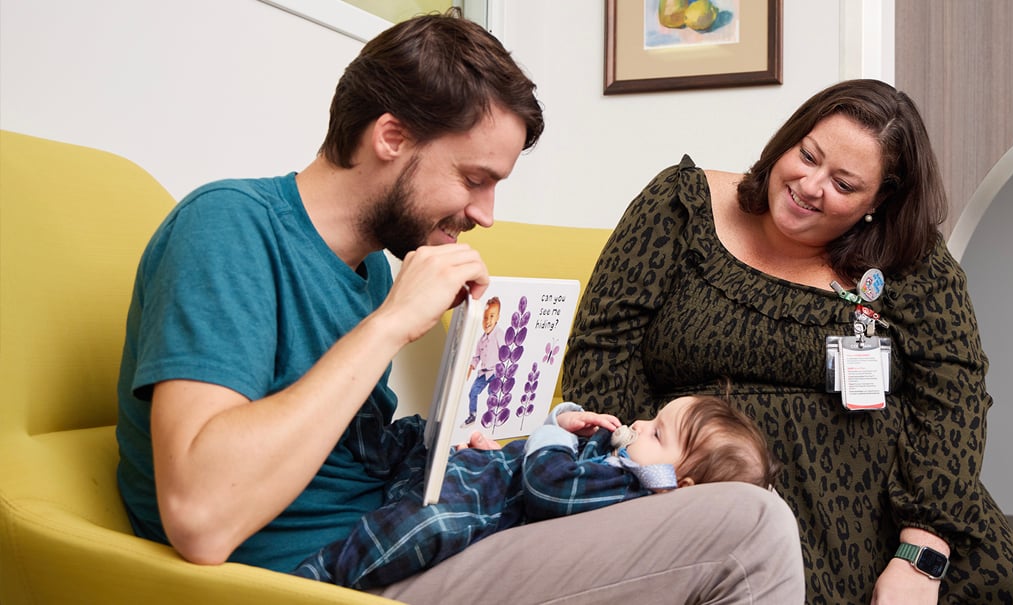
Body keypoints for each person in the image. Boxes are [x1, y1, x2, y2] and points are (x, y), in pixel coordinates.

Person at [114, 9, 805, 604]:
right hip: (328, 576)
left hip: (408, 538)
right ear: (391, 137)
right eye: (474, 179)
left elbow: (350, 455)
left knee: (743, 501)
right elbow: (200, 515)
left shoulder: (362, 272)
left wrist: (479, 439)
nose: (485, 213)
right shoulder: (230, 227)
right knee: (750, 526)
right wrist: (391, 325)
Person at [562, 79, 1013, 605]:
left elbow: (955, 399)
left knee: (996, 584)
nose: (810, 186)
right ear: (788, 140)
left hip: (886, 510)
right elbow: (601, 352)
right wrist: (637, 478)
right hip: (709, 488)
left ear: (879, 201)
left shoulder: (912, 259)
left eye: (844, 184)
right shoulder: (680, 207)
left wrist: (919, 556)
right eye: (807, 156)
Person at [292, 394, 780, 590]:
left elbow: (548, 484)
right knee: (416, 436)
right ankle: (347, 431)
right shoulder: (622, 464)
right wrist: (566, 419)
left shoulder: (630, 487)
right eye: (653, 417)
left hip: (482, 507)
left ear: (679, 488)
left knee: (424, 526)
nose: (638, 424)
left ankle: (322, 577)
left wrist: (555, 432)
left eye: (656, 433)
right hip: (488, 472)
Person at [462, 296, 501, 425]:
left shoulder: (499, 334)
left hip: (496, 372)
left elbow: (506, 351)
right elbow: (477, 356)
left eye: (491, 316)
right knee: (472, 393)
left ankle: (493, 416)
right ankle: (472, 415)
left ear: (497, 318)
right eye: (485, 317)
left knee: (492, 394)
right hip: (483, 373)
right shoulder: (481, 340)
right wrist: (470, 369)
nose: (488, 321)